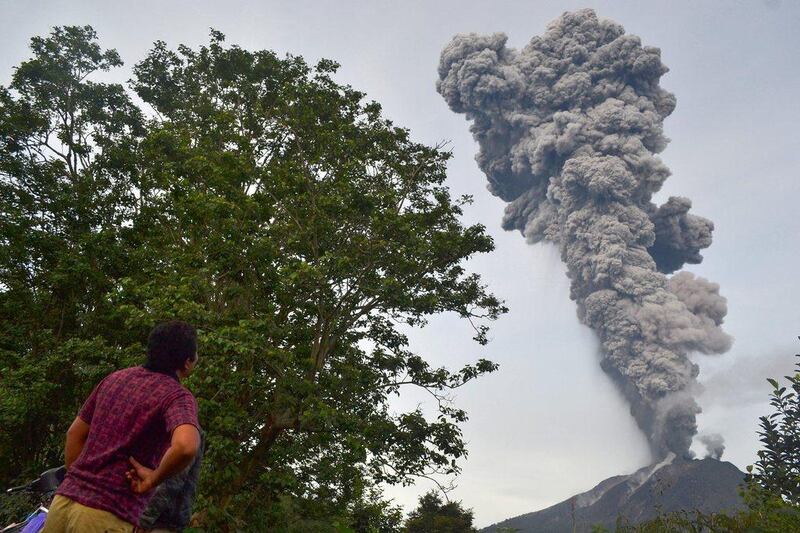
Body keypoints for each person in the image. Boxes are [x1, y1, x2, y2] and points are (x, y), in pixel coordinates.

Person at [42, 320, 202, 533]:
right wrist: (152, 479)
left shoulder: (114, 379)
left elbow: (74, 434)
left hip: (62, 504)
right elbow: (185, 446)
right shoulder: (176, 397)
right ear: (187, 362)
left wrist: (79, 484)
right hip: (106, 516)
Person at [138, 431, 205, 533]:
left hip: (163, 521)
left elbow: (171, 483)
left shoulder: (188, 431)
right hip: (147, 515)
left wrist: (145, 518)